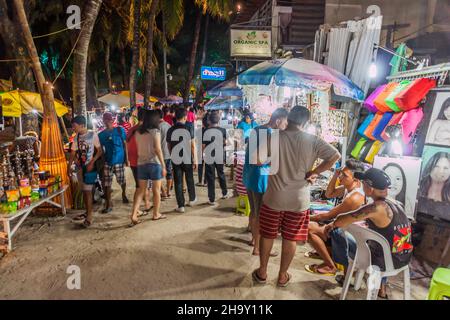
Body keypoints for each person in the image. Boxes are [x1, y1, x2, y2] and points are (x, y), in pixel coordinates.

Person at [252, 106, 341, 287]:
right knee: (290, 238)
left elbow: (257, 160)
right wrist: (314, 171)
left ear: (289, 118)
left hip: (274, 198)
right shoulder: (313, 140)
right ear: (306, 122)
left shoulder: (274, 137)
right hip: (298, 201)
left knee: (267, 235)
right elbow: (335, 156)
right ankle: (283, 275)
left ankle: (262, 272)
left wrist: (275, 165)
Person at [325, 168, 413, 299]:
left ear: (369, 188)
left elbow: (341, 220)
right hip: (404, 258)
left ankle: (345, 274)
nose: (361, 185)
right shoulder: (397, 203)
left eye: (363, 183)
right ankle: (381, 288)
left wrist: (331, 224)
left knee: (337, 231)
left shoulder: (376, 207)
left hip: (386, 261)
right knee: (378, 242)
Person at [304, 159, 366, 276]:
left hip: (353, 239)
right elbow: (329, 194)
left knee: (309, 228)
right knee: (317, 224)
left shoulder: (354, 198)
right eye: (341, 173)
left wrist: (304, 216)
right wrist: (335, 175)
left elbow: (326, 216)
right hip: (344, 230)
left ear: (356, 179)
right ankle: (327, 254)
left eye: (344, 175)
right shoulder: (349, 187)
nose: (340, 177)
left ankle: (330, 266)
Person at [243, 108, 289, 256]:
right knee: (260, 214)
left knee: (254, 210)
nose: (286, 126)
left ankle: (253, 240)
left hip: (250, 176)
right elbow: (258, 160)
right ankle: (258, 248)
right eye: (285, 122)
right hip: (260, 178)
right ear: (278, 121)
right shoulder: (271, 134)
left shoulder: (256, 129)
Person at [130, 110, 167, 226]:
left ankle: (134, 214)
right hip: (154, 164)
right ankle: (156, 214)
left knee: (140, 191)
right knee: (156, 191)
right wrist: (163, 164)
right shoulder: (155, 131)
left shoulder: (137, 132)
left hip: (141, 163)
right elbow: (157, 149)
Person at [68, 115, 103, 228]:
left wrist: (92, 162)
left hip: (90, 168)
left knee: (87, 192)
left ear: (82, 125)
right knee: (85, 191)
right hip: (80, 168)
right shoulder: (76, 137)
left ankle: (89, 217)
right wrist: (69, 166)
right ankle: (88, 212)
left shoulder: (93, 135)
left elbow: (100, 151)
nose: (73, 128)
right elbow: (73, 152)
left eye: (74, 126)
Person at [167, 108, 198, 213]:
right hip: (187, 157)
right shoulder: (188, 128)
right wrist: (195, 159)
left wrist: (172, 154)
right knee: (189, 178)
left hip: (175, 157)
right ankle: (192, 200)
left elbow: (169, 146)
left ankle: (181, 206)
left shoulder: (170, 129)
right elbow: (192, 145)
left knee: (178, 181)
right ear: (185, 117)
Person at [98, 112, 129, 214]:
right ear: (103, 121)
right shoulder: (101, 135)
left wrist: (126, 159)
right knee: (107, 184)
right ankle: (108, 204)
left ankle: (124, 194)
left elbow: (125, 145)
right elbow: (101, 150)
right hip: (108, 161)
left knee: (122, 180)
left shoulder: (120, 130)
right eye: (105, 119)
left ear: (113, 120)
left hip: (119, 160)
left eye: (109, 119)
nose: (107, 121)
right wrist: (103, 161)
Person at [127, 108, 152, 215]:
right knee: (140, 187)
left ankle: (147, 204)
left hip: (133, 162)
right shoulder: (146, 130)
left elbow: (127, 145)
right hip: (142, 162)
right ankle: (135, 212)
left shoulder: (131, 130)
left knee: (142, 185)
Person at [202, 111, 230, 205]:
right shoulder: (223, 130)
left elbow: (203, 145)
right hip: (219, 154)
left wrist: (202, 154)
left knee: (210, 177)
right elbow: (226, 142)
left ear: (209, 120)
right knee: (221, 174)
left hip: (209, 155)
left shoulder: (206, 131)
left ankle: (212, 199)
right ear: (219, 120)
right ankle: (225, 193)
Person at [158, 109, 173, 199]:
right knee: (169, 173)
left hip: (159, 155)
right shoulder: (169, 125)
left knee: (157, 175)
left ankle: (163, 192)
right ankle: (168, 192)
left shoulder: (156, 127)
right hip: (168, 153)